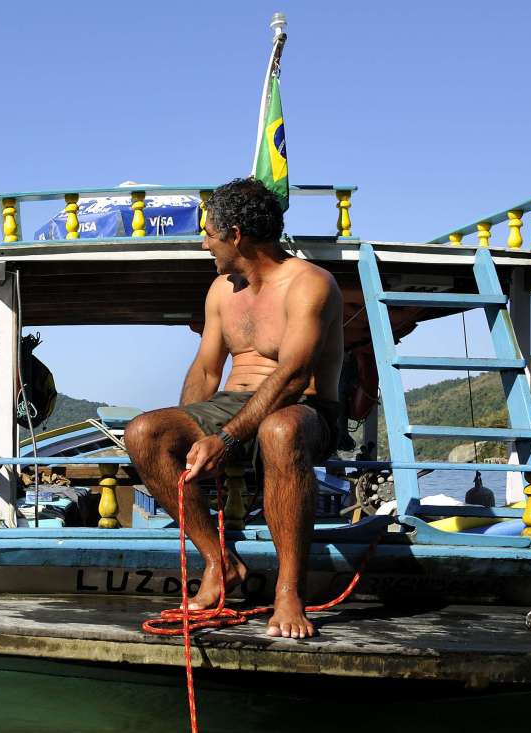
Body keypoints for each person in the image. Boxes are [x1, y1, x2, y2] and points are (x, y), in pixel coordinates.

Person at [122, 178, 343, 638]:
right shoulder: (222, 289)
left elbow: (295, 376)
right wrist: (189, 441)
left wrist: (224, 440)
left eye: (209, 233)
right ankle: (220, 562)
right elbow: (206, 373)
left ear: (236, 235)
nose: (205, 243)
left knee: (279, 431)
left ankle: (289, 593)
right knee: (145, 432)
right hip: (230, 407)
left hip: (304, 408)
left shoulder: (311, 284)